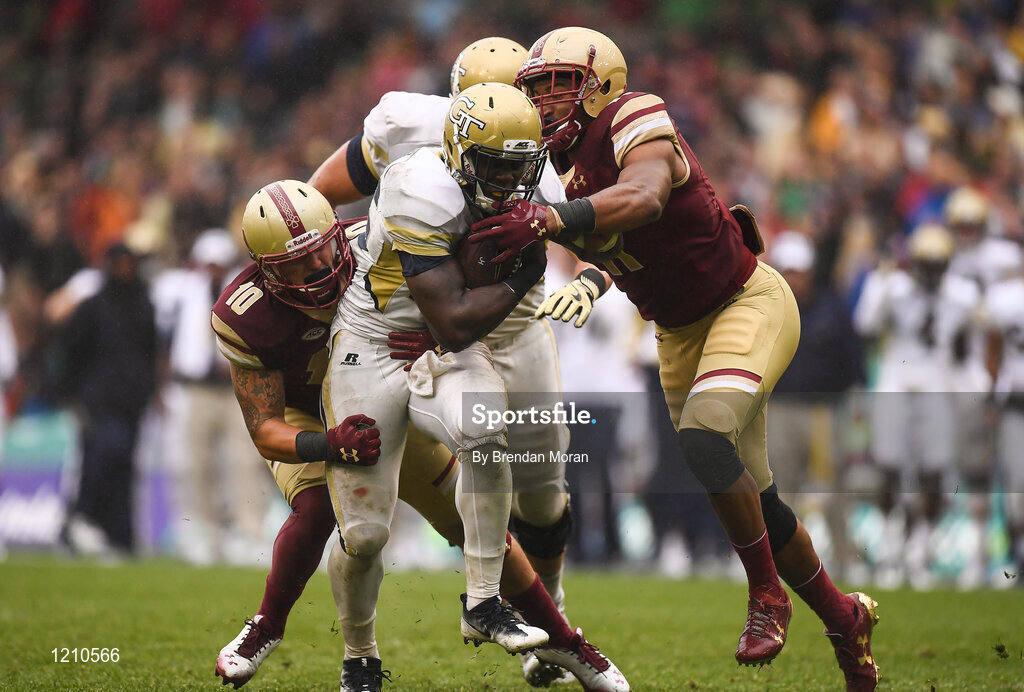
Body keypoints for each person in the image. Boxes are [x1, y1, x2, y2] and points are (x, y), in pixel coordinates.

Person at [470, 27, 880, 691]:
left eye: (558, 85)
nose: (544, 102)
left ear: (601, 82)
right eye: (535, 88)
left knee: (705, 436)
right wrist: (591, 279)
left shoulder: (635, 115)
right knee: (754, 494)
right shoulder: (550, 167)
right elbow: (632, 241)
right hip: (677, 331)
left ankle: (766, 597)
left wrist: (552, 223)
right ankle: (843, 619)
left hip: (743, 302)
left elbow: (646, 197)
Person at [213, 178, 627, 692]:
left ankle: (564, 639)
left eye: (320, 250)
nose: (317, 269)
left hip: (379, 403)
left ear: (337, 233)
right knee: (328, 512)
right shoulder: (245, 314)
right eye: (295, 264)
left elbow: (455, 290)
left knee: (475, 521)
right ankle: (273, 630)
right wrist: (328, 443)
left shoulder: (379, 239)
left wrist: (436, 330)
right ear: (263, 268)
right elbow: (266, 430)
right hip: (311, 418)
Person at [308, 36, 586, 687]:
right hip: (386, 333)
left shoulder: (536, 165)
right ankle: (358, 655)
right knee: (368, 532)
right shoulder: (414, 158)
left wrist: (585, 274)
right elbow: (319, 201)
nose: (513, 170)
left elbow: (601, 235)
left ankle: (500, 608)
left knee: (515, 462)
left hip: (483, 334)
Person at [853, 224, 980, 589]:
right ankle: (892, 546)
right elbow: (865, 322)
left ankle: (921, 547)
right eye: (926, 263)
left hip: (938, 382)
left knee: (934, 468)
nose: (931, 272)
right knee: (889, 464)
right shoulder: (894, 287)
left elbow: (970, 344)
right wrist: (879, 281)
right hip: (897, 378)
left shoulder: (963, 295)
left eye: (938, 264)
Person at [152, 228, 271, 565]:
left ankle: (249, 532)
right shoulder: (181, 292)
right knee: (196, 464)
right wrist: (162, 388)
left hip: (236, 388)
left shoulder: (243, 292)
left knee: (245, 463)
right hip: (194, 387)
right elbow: (164, 343)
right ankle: (204, 532)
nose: (214, 271)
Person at [59, 242, 158, 557]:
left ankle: (119, 536)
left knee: (124, 465)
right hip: (99, 400)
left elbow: (151, 353)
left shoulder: (144, 305)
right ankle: (83, 520)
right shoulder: (93, 307)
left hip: (132, 402)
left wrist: (150, 390)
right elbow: (72, 353)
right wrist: (71, 394)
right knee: (101, 458)